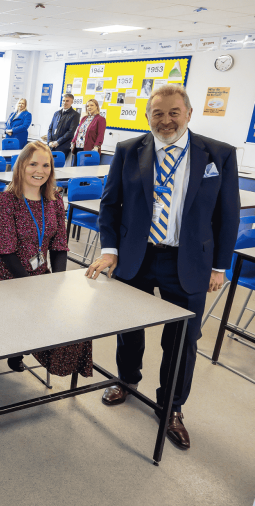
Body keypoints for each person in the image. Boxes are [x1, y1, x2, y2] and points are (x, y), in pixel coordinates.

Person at [86, 84, 239, 450]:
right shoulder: (128, 150)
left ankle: (171, 407)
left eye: (174, 112)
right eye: (158, 113)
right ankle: (126, 380)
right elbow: (110, 205)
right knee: (129, 327)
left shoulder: (219, 154)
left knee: (183, 340)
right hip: (136, 256)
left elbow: (227, 215)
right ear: (147, 116)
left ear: (189, 114)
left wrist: (220, 266)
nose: (166, 120)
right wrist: (110, 250)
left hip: (188, 260)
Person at [0, 141, 90, 376]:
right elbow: (6, 251)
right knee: (35, 309)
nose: (39, 171)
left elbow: (59, 244)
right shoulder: (6, 200)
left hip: (40, 273)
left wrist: (57, 281)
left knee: (73, 314)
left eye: (46, 165)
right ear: (21, 166)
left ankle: (44, 354)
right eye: (33, 164)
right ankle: (18, 348)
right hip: (8, 275)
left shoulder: (54, 199)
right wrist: (35, 287)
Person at [44, 93, 80, 163]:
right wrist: (49, 141)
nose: (64, 102)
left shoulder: (75, 115)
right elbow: (50, 128)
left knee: (57, 166)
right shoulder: (57, 113)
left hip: (62, 146)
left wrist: (57, 142)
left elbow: (71, 132)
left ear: (72, 102)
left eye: (67, 101)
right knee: (47, 164)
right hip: (51, 145)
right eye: (63, 100)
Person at [71, 99, 106, 166]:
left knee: (85, 169)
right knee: (75, 168)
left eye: (91, 105)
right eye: (87, 106)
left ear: (97, 106)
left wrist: (96, 146)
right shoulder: (84, 118)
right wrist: (73, 142)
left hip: (89, 148)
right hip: (78, 147)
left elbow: (100, 135)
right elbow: (79, 132)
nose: (89, 107)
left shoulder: (100, 119)